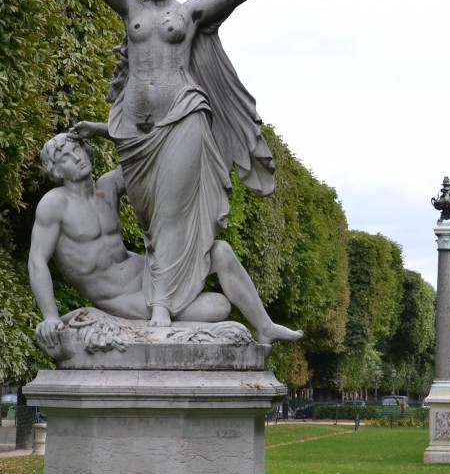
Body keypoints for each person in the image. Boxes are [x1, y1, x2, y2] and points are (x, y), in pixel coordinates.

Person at [71, 0, 276, 327]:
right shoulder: (131, 7)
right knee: (149, 219)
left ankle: (162, 303)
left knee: (170, 212)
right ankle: (168, 294)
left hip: (184, 116)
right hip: (135, 133)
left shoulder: (191, 12)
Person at [28, 131, 301, 347]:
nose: (76, 157)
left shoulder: (107, 187)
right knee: (219, 306)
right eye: (65, 157)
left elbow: (149, 152)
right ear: (56, 171)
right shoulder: (55, 204)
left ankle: (265, 327)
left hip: (152, 274)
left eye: (77, 148)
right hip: (124, 298)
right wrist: (50, 317)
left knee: (220, 250)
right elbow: (38, 261)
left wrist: (102, 131)